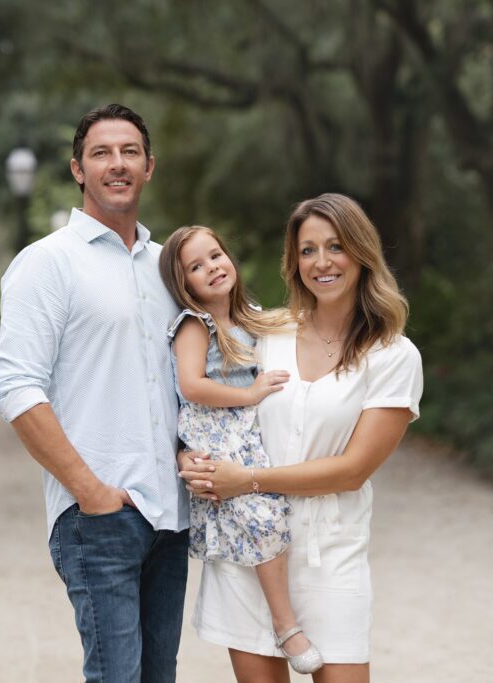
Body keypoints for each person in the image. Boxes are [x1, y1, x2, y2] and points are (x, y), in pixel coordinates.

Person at [180, 193, 424, 682]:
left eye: (335, 246)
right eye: (307, 250)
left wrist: (244, 479)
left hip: (330, 554)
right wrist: (191, 458)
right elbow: (207, 405)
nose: (321, 262)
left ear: (361, 252)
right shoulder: (266, 333)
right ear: (294, 262)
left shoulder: (393, 356)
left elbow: (353, 471)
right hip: (249, 550)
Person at [0, 104, 188, 683]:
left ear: (149, 166)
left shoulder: (167, 267)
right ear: (78, 168)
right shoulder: (47, 264)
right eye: (101, 153)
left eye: (129, 152)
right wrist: (89, 492)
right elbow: (16, 387)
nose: (117, 164)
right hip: (98, 519)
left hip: (171, 517)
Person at [159, 225, 323, 674]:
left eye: (215, 256)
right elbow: (192, 385)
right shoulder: (196, 324)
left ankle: (281, 616)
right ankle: (286, 625)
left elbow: (292, 329)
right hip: (216, 432)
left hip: (244, 431)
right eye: (196, 266)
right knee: (261, 514)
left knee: (265, 514)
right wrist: (250, 394)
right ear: (184, 284)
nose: (211, 268)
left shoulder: (249, 315)